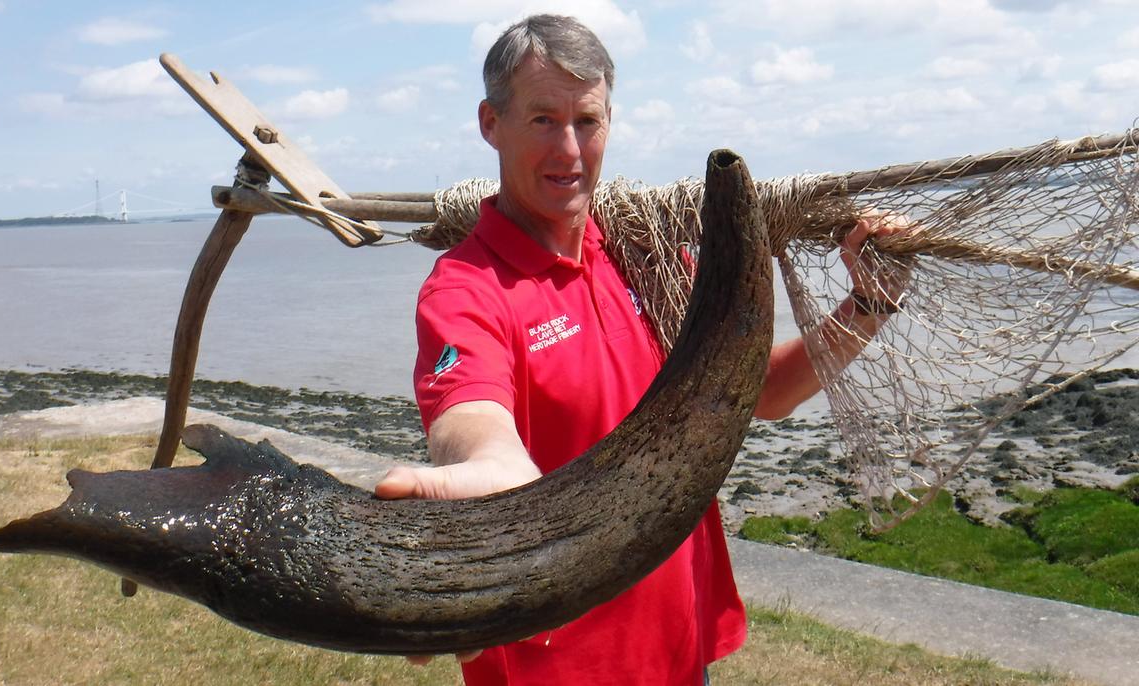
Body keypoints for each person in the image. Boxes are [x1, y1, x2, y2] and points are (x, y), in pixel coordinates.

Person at [374, 13, 910, 685]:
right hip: (559, 669)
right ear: (491, 124)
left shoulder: (645, 257)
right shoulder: (467, 290)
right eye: (543, 120)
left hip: (683, 651)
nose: (569, 150)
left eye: (587, 121)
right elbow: (472, 416)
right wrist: (493, 472)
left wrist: (867, 306)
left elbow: (754, 392)